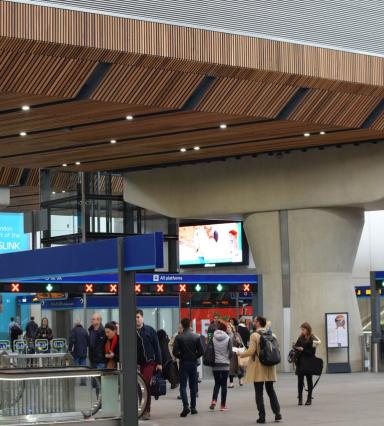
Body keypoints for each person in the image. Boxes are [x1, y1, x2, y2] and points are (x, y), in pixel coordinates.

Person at [238, 316, 282, 424]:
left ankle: (262, 417)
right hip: (270, 366)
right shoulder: (273, 335)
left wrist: (240, 354)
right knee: (271, 391)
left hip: (259, 367)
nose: (253, 322)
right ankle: (277, 414)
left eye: (255, 321)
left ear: (258, 323)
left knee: (259, 393)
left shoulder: (254, 335)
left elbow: (251, 351)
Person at [172, 318, 204, 418]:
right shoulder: (196, 336)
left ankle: (186, 406)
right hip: (193, 364)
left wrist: (181, 356)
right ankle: (193, 408)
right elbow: (201, 351)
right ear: (190, 325)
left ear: (182, 325)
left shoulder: (178, 337)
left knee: (183, 386)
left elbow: (174, 352)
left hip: (183, 363)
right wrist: (194, 356)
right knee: (193, 386)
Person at [136, 309, 162, 421]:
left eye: (137, 317)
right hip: (137, 364)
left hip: (150, 362)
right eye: (134, 317)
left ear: (142, 317)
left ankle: (146, 411)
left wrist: (159, 362)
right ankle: (141, 409)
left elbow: (157, 347)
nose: (136, 319)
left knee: (145, 385)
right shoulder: (130, 331)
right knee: (138, 387)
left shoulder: (150, 330)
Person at [294, 322, 321, 406]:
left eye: (303, 329)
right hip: (301, 361)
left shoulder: (312, 338)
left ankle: (309, 398)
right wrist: (296, 347)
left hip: (309, 361)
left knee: (309, 380)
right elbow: (296, 346)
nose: (302, 331)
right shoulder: (301, 337)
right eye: (301, 329)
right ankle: (300, 398)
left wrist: (303, 350)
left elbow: (312, 352)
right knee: (300, 380)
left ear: (308, 329)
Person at [210, 321, 233, 412]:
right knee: (224, 385)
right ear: (224, 329)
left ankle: (214, 400)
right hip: (225, 365)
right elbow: (231, 352)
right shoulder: (228, 338)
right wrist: (228, 358)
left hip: (215, 364)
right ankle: (223, 405)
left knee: (217, 383)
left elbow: (210, 350)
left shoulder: (213, 337)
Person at [69, 319, 89, 384]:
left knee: (75, 367)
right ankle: (83, 381)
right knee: (83, 367)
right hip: (84, 352)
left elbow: (72, 340)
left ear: (75, 324)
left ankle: (74, 381)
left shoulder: (73, 330)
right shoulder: (84, 330)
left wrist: (69, 349)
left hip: (76, 352)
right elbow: (88, 341)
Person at [227, 323, 244, 388]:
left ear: (232, 328)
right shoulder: (226, 335)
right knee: (230, 368)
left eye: (229, 327)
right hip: (229, 353)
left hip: (236, 353)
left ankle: (240, 378)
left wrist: (239, 341)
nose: (227, 329)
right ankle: (231, 383)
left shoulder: (236, 334)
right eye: (227, 328)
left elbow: (241, 345)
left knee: (238, 367)